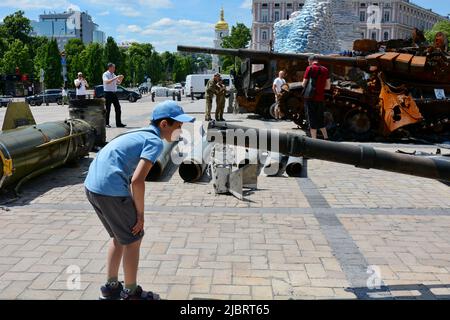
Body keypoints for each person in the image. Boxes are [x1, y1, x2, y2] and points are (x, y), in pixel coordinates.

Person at [84, 100, 195, 300]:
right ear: (164, 124)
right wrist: (140, 215)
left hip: (92, 186)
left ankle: (110, 288)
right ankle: (131, 292)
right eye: (178, 126)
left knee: (119, 237)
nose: (181, 130)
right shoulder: (154, 141)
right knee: (134, 239)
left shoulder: (139, 133)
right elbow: (137, 181)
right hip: (111, 190)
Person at [302, 55, 331, 140]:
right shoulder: (325, 69)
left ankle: (314, 141)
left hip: (310, 98)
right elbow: (328, 87)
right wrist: (320, 88)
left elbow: (303, 84)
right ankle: (326, 137)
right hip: (320, 98)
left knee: (311, 119)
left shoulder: (309, 68)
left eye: (308, 62)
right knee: (320, 118)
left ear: (310, 61)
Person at [103, 63, 126, 128]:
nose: (114, 69)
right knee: (108, 109)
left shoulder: (113, 74)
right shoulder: (105, 74)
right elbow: (107, 82)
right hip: (107, 93)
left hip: (114, 93)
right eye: (113, 67)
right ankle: (106, 123)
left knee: (118, 108)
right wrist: (116, 77)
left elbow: (118, 82)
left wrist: (121, 78)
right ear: (110, 68)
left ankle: (118, 123)